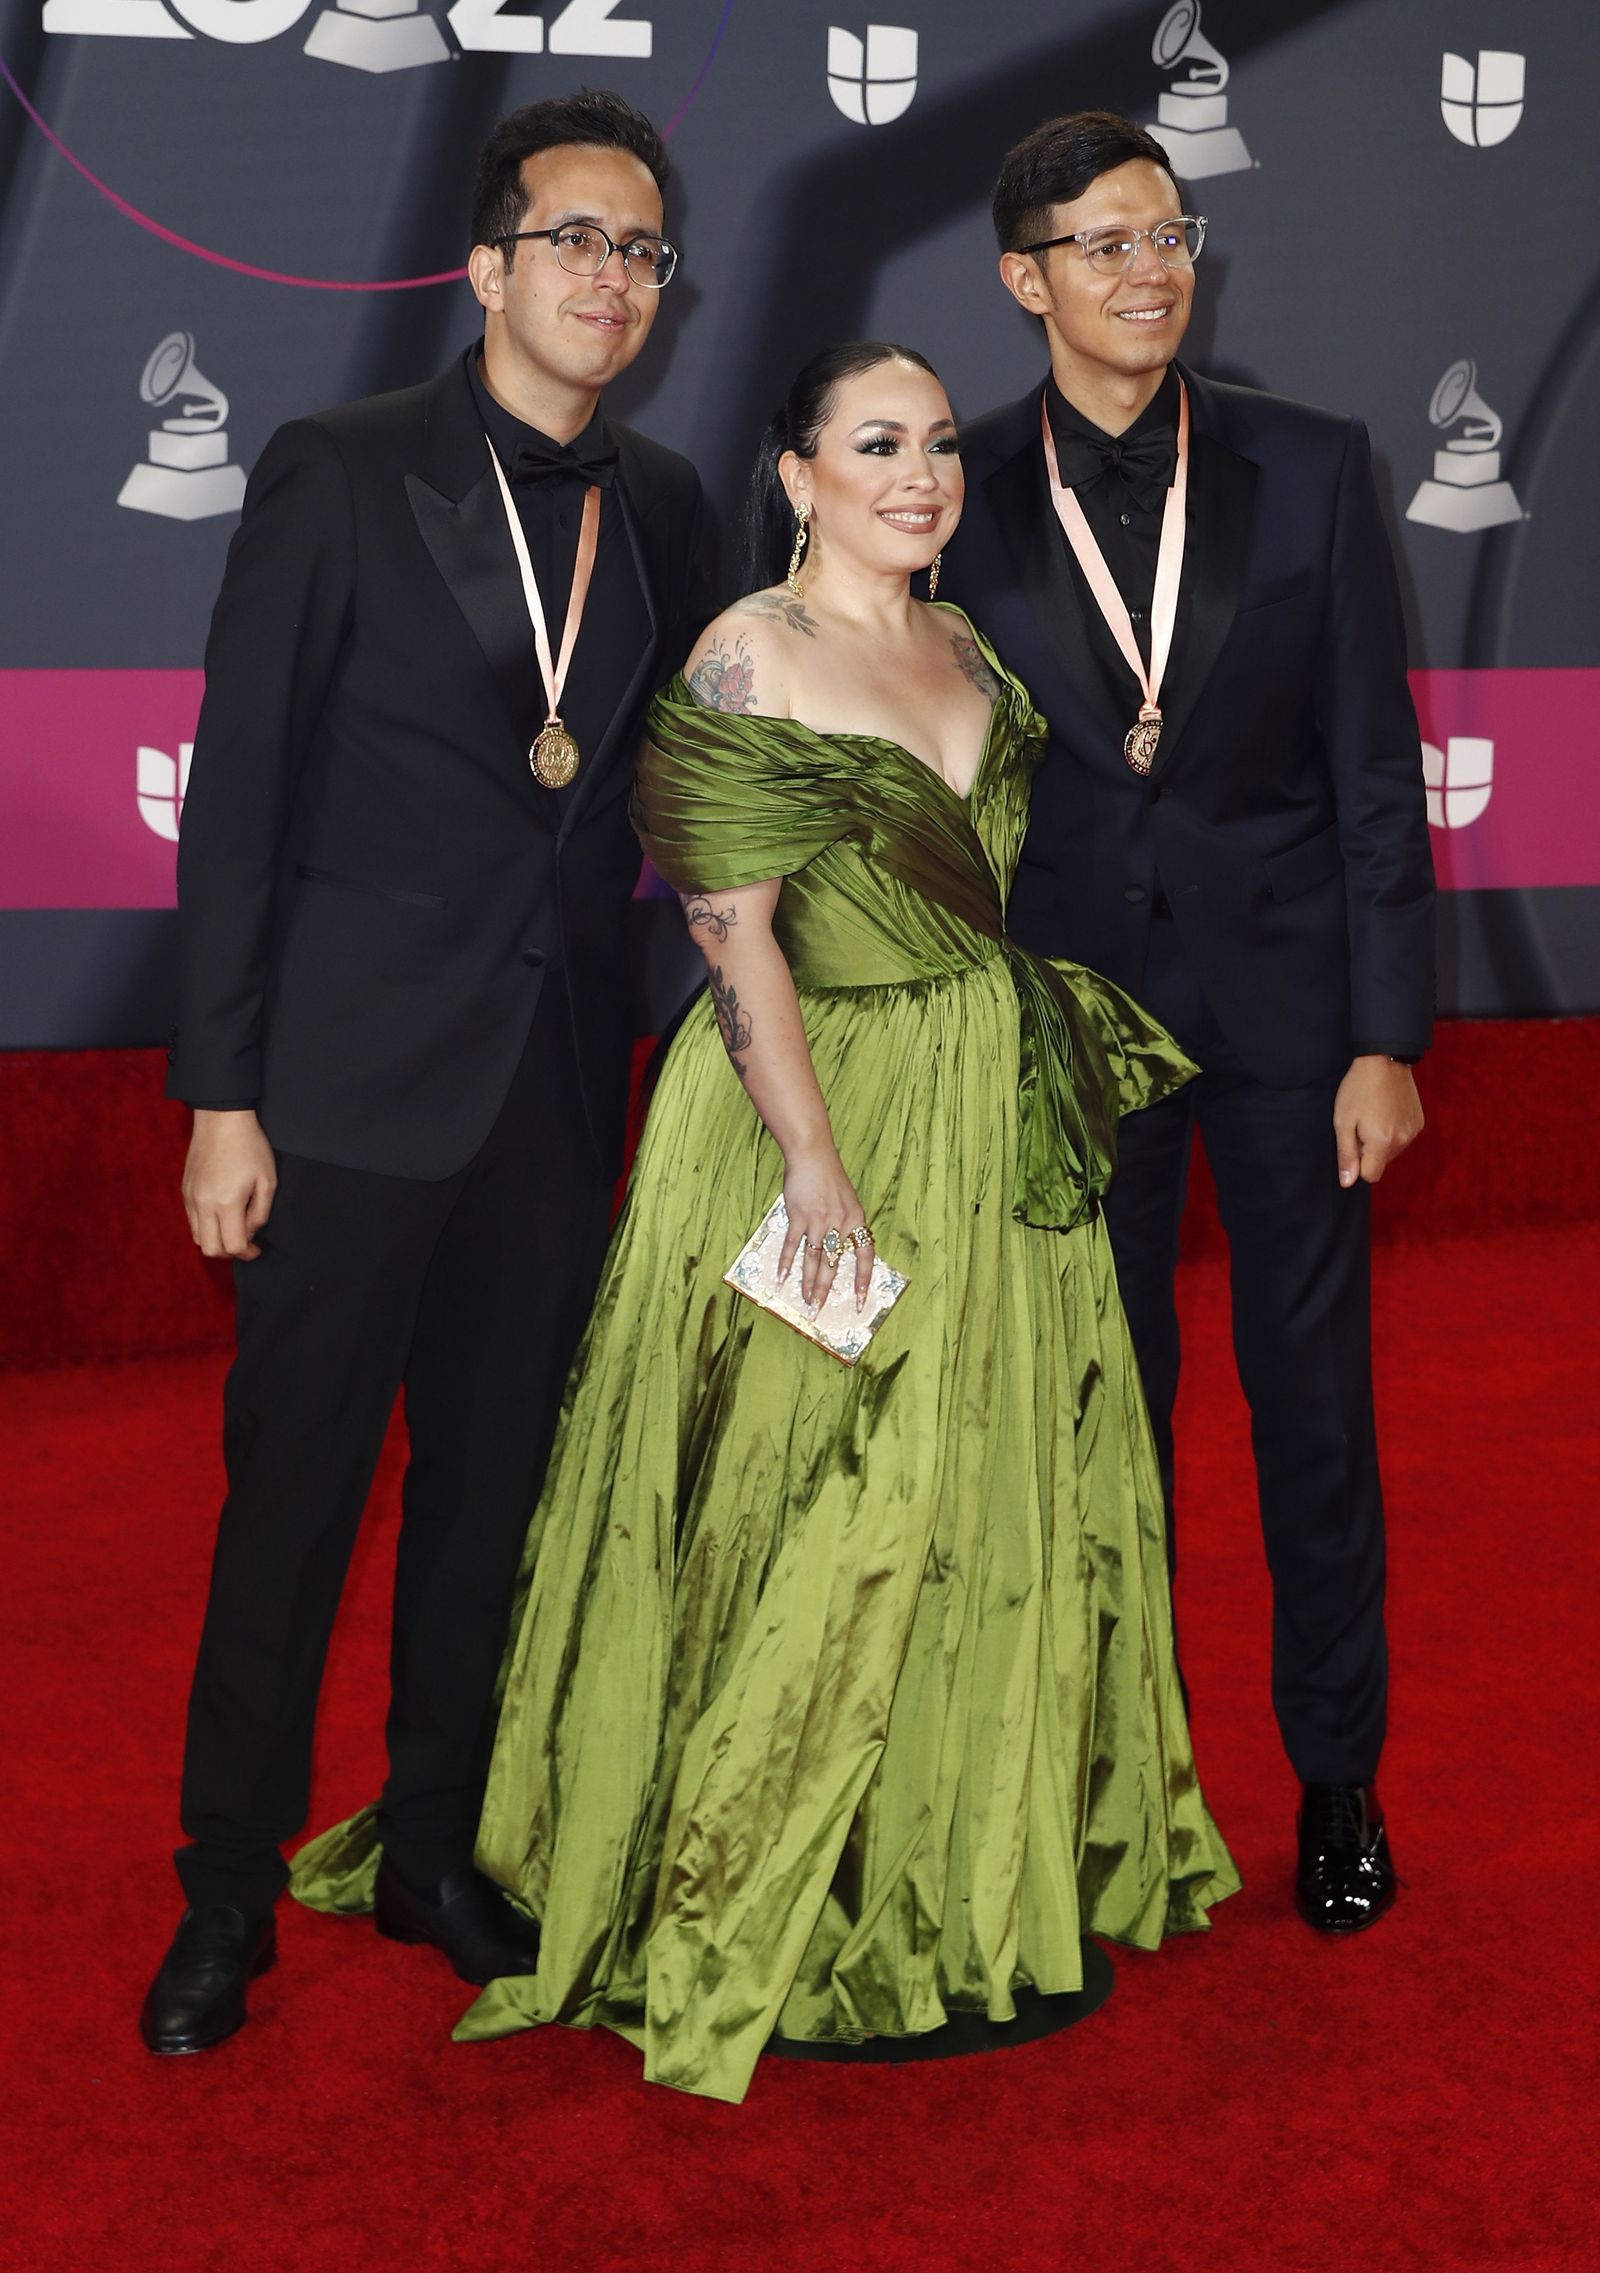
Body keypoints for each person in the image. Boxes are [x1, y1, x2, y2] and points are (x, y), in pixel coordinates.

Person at [290, 341, 1237, 2104]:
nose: (922, 472)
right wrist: (812, 1161)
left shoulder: (965, 647)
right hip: (815, 1112)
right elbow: (734, 939)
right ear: (797, 475)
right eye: (876, 443)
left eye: (939, 442)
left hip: (983, 1108)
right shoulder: (749, 651)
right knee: (816, 1499)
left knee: (968, 1489)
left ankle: (935, 1864)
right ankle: (754, 1880)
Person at [140, 91, 716, 2057]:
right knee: (291, 1503)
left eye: (640, 251)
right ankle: (226, 1891)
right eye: (573, 239)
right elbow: (239, 802)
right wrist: (221, 1097)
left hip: (552, 1097)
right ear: (485, 267)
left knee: (493, 1499)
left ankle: (432, 1847)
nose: (609, 278)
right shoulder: (340, 468)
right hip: (341, 1091)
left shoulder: (667, 505)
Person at [938, 112, 1434, 1934]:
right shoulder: (954, 491)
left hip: (1294, 1018)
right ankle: (1110, 1781)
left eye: (1170, 235)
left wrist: (1386, 1036)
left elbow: (1372, 768)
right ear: (1027, 279)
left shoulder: (1312, 462)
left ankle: (1337, 1775)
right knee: (1093, 1412)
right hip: (1067, 1018)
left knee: (1315, 1410)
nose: (1152, 271)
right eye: (1107, 243)